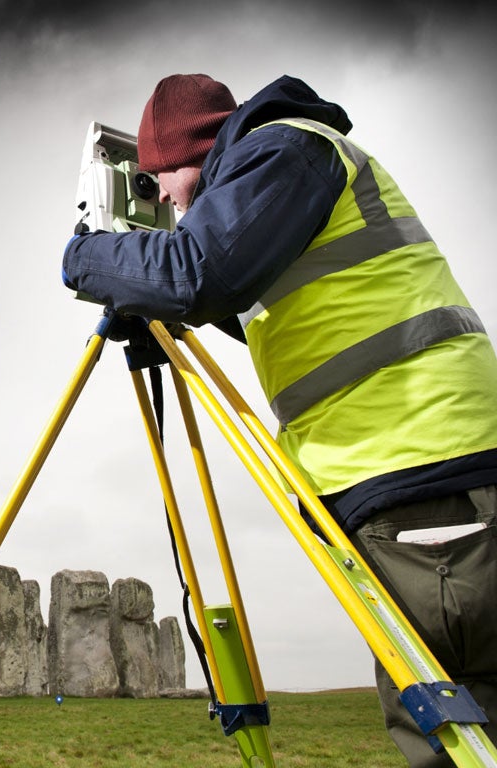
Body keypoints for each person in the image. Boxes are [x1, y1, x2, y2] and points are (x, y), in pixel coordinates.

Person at [62, 74, 497, 767]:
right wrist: (148, 292)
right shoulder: (281, 182)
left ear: (187, 153)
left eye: (160, 181)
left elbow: (197, 273)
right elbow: (224, 298)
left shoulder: (282, 151)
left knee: (447, 731)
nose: (165, 201)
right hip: (413, 469)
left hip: (421, 468)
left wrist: (85, 255)